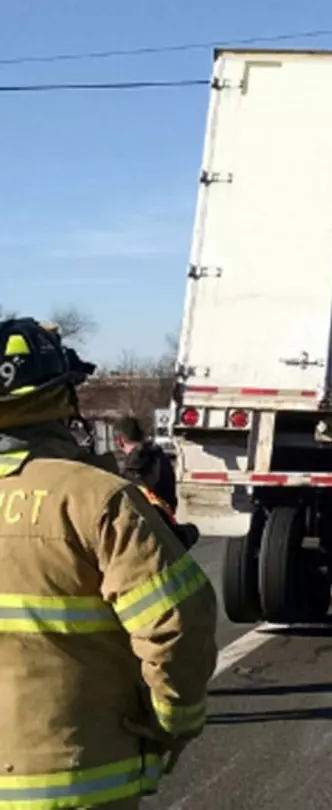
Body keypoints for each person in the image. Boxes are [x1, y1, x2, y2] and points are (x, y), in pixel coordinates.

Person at [0, 317, 218, 809]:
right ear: (63, 399)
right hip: (78, 782)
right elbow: (177, 623)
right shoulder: (100, 500)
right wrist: (171, 722)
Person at [115, 415, 178, 513]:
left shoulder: (132, 469)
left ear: (119, 441)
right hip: (166, 521)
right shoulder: (160, 457)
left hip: (149, 524)